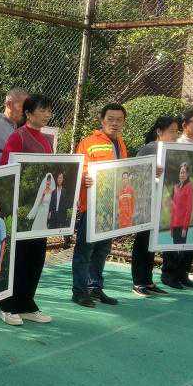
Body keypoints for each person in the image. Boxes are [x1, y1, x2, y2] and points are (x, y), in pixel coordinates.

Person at [0, 94, 55, 327]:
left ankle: (27, 304)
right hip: (20, 208)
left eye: (49, 110)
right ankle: (8, 306)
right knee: (18, 259)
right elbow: (6, 169)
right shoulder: (18, 137)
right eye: (42, 110)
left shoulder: (47, 140)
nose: (47, 114)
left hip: (41, 209)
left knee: (36, 258)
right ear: (29, 114)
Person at [71, 103, 129, 308]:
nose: (114, 123)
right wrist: (84, 178)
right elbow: (80, 171)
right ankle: (79, 292)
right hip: (92, 207)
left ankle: (95, 287)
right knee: (85, 250)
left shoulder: (121, 144)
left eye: (119, 120)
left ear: (123, 122)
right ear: (102, 121)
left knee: (103, 249)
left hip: (111, 207)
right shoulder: (88, 143)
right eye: (110, 119)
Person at [131, 115, 178, 297]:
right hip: (145, 204)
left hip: (161, 205)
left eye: (176, 131)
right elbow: (134, 173)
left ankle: (148, 281)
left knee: (152, 243)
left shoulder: (170, 151)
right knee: (142, 242)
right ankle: (138, 282)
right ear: (159, 131)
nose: (175, 135)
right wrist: (151, 171)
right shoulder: (149, 149)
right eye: (171, 131)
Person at [162, 108, 193, 289]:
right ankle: (169, 275)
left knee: (189, 242)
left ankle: (182, 275)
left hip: (191, 208)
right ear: (185, 125)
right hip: (175, 210)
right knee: (173, 245)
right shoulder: (175, 145)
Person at [0, 87, 29, 164]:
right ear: (9, 104)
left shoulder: (13, 125)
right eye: (22, 107)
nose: (25, 112)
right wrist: (14, 158)